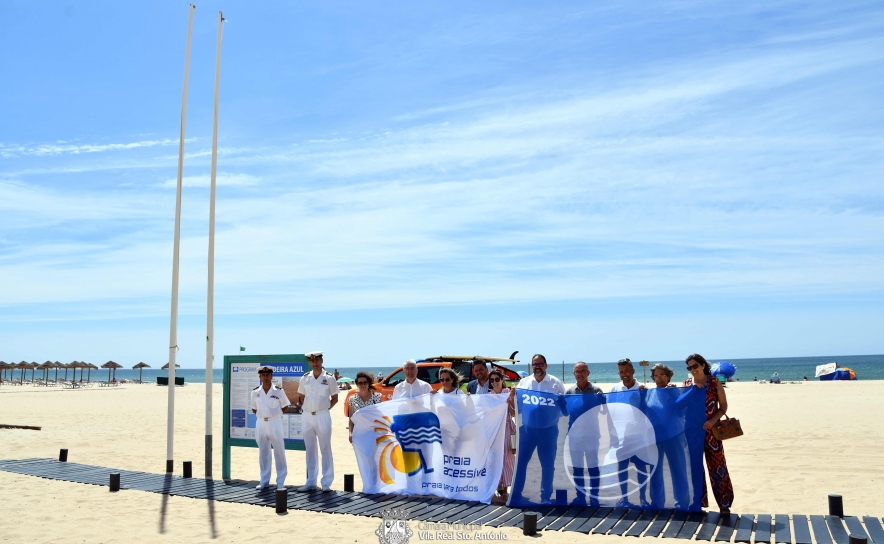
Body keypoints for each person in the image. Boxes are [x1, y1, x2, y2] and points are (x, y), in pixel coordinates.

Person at [508, 354, 565, 504]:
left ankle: (545, 496)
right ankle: (516, 493)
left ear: (546, 365)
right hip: (527, 430)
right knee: (521, 463)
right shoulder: (523, 383)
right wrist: (511, 399)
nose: (537, 367)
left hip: (549, 431)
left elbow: (564, 409)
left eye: (540, 364)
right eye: (534, 364)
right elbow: (516, 409)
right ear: (531, 366)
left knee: (548, 465)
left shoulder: (555, 383)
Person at [685, 353, 734, 514]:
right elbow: (679, 406)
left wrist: (713, 420)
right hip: (692, 434)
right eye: (689, 367)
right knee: (695, 469)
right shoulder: (686, 384)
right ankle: (698, 503)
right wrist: (691, 392)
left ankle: (724, 504)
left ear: (703, 365)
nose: (693, 370)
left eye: (695, 366)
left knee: (718, 467)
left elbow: (724, 406)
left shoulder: (714, 383)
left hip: (712, 433)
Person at [646, 362, 689, 508]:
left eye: (662, 375)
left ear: (668, 376)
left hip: (674, 436)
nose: (659, 378)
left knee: (678, 470)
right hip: (655, 438)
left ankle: (682, 505)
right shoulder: (648, 393)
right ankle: (657, 503)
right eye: (656, 376)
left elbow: (681, 411)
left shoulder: (676, 391)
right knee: (655, 473)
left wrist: (674, 393)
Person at [609, 358, 649, 507]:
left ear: (633, 371)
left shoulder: (642, 388)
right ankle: (624, 498)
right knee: (622, 468)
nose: (624, 374)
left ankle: (643, 498)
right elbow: (610, 411)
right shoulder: (614, 389)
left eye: (627, 370)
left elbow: (646, 410)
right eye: (621, 371)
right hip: (620, 436)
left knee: (641, 468)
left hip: (638, 436)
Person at [296, 351, 339, 492]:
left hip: (323, 415)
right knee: (310, 449)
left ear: (322, 360)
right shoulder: (305, 378)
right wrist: (309, 408)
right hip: (307, 416)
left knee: (325, 448)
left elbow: (335, 399)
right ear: (309, 362)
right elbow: (302, 396)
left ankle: (326, 482)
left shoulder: (329, 378)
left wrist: (324, 409)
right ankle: (310, 481)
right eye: (312, 360)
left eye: (317, 360)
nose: (315, 363)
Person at [565, 361, 604, 506]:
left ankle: (594, 497)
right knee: (577, 469)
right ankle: (580, 497)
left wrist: (602, 400)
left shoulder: (597, 390)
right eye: (577, 371)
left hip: (592, 435)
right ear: (574, 374)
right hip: (574, 436)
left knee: (593, 467)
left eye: (583, 371)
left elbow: (605, 411)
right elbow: (565, 412)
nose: (580, 374)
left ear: (588, 373)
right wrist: (560, 403)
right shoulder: (569, 392)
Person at [250, 365, 291, 490]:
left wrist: (275, 415)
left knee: (279, 451)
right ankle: (264, 480)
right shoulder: (255, 392)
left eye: (268, 375)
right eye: (263, 375)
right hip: (261, 423)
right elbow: (254, 408)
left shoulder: (278, 391)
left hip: (275, 422)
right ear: (260, 377)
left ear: (272, 376)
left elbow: (285, 406)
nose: (265, 377)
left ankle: (280, 481)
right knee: (263, 452)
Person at [488, 369, 516, 504]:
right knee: (494, 457)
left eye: (497, 379)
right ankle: (496, 487)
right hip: (494, 429)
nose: (494, 382)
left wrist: (509, 401)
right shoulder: (490, 395)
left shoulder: (507, 393)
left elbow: (514, 413)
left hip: (505, 428)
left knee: (506, 457)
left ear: (502, 380)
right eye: (492, 380)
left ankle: (505, 491)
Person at [348, 371, 382, 443]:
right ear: (357, 385)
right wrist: (350, 433)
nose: (363, 385)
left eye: (365, 382)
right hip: (359, 434)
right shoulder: (352, 400)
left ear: (368, 384)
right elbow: (351, 419)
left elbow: (381, 417)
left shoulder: (377, 397)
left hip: (374, 434)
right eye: (360, 383)